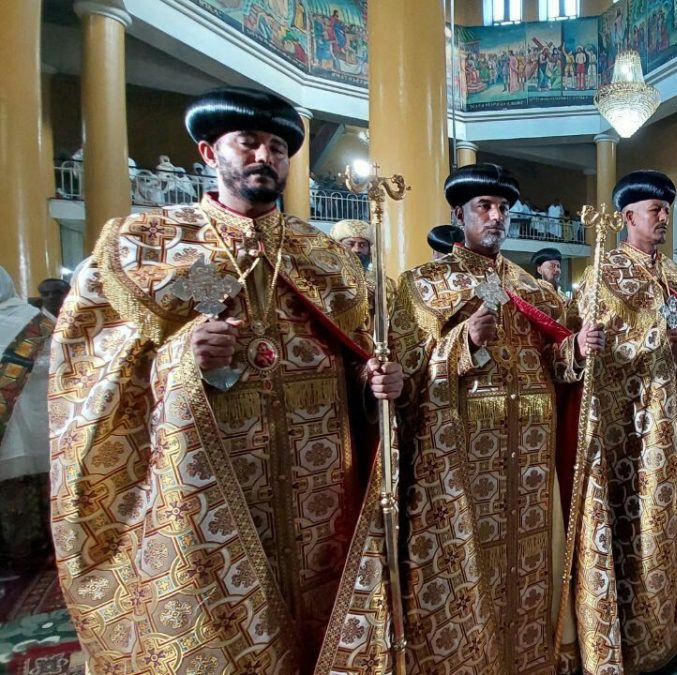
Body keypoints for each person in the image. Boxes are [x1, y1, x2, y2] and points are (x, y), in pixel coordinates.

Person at [49, 87, 407, 673]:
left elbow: (356, 356)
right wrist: (182, 360)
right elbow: (91, 368)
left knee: (327, 612)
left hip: (321, 483)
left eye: (277, 147)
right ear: (210, 152)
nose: (264, 156)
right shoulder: (153, 245)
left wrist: (374, 384)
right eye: (249, 143)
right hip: (210, 481)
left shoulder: (323, 255)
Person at [388, 163, 604, 674]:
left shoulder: (534, 290)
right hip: (461, 460)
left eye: (503, 208)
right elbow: (405, 372)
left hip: (530, 454)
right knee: (469, 567)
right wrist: (461, 344)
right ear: (458, 213)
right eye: (485, 206)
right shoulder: (422, 287)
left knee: (532, 563)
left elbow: (553, 364)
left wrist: (576, 348)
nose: (497, 217)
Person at [563, 170, 677, 673]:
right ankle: (637, 627)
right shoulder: (603, 272)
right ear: (627, 216)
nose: (662, 218)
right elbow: (593, 356)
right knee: (635, 527)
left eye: (665, 210)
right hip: (631, 434)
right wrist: (657, 338)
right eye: (654, 210)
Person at [0, 267, 57, 571]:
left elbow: (61, 362)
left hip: (33, 416)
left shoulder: (32, 320)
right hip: (26, 418)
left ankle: (37, 549)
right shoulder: (37, 319)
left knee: (34, 484)